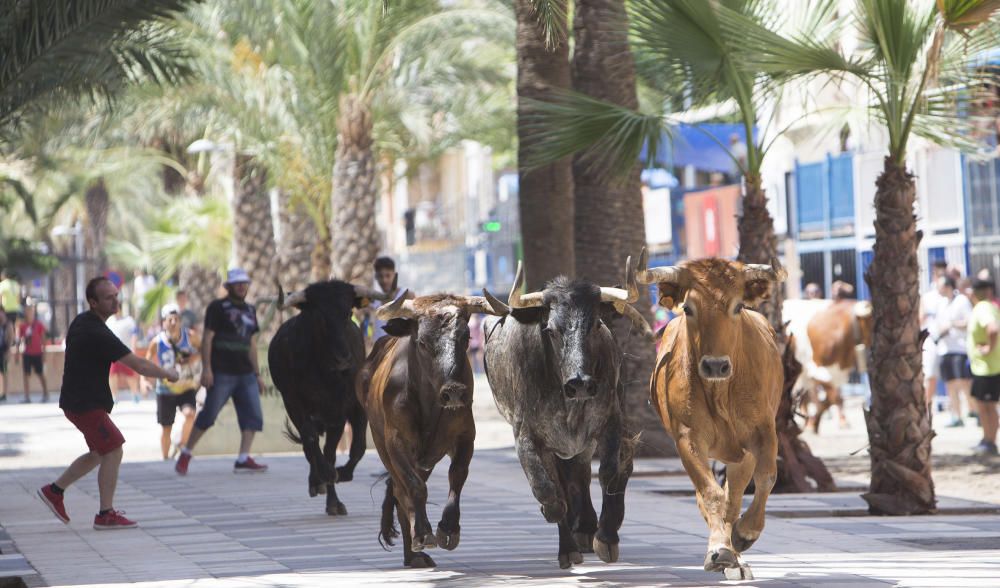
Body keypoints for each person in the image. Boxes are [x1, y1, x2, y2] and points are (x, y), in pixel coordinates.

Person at [37, 276, 178, 530]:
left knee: (98, 453)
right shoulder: (95, 330)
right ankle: (105, 514)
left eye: (116, 295)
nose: (116, 300)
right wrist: (168, 374)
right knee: (113, 448)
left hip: (80, 401)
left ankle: (54, 491)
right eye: (109, 297)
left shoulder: (85, 322)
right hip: (84, 404)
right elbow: (139, 365)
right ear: (93, 302)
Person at [175, 268, 267, 475]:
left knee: (253, 415)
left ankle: (243, 458)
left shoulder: (251, 310)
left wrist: (258, 374)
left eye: (245, 283)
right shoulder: (217, 308)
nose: (242, 287)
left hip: (246, 373)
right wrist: (207, 368)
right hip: (222, 371)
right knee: (208, 414)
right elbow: (207, 338)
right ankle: (186, 452)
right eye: (237, 283)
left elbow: (252, 344)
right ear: (228, 286)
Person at [145, 304, 201, 460]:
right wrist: (145, 380)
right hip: (165, 389)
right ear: (163, 322)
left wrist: (193, 358)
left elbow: (203, 349)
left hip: (186, 386)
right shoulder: (157, 342)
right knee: (166, 429)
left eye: (177, 319)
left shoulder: (190, 336)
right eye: (170, 320)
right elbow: (147, 361)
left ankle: (181, 443)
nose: (174, 323)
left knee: (190, 414)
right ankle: (165, 458)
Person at [933, 275, 974, 427]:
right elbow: (938, 323)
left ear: (948, 286)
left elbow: (969, 321)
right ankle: (956, 416)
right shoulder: (941, 303)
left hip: (960, 348)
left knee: (964, 382)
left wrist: (953, 325)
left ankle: (973, 410)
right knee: (950, 384)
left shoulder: (962, 301)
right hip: (945, 349)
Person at [967, 278, 1000, 456]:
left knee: (987, 406)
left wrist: (989, 348)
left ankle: (990, 441)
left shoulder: (983, 308)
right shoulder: (988, 307)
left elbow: (993, 329)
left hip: (987, 367)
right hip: (985, 366)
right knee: (984, 405)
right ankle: (987, 439)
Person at [922, 260, 949, 409]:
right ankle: (927, 407)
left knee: (953, 379)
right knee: (930, 376)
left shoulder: (953, 294)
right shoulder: (928, 297)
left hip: (949, 341)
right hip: (932, 340)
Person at [106, 309, 140, 403]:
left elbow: (134, 335)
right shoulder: (109, 321)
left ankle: (135, 394)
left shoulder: (128, 320)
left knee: (130, 374)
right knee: (112, 374)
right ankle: (114, 396)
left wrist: (133, 349)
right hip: (113, 353)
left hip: (126, 352)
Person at [17, 302, 48, 403]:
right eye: (27, 310)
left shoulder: (39, 325)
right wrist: (17, 352)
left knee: (40, 374)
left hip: (37, 353)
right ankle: (27, 397)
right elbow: (19, 339)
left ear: (34, 312)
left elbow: (44, 339)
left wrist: (44, 353)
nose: (29, 313)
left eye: (31, 310)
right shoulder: (22, 325)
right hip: (27, 353)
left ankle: (45, 393)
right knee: (26, 374)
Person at [0, 311, 12, 402]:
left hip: (4, 351)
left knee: (5, 373)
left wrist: (8, 351)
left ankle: (5, 393)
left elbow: (11, 339)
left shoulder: (8, 325)